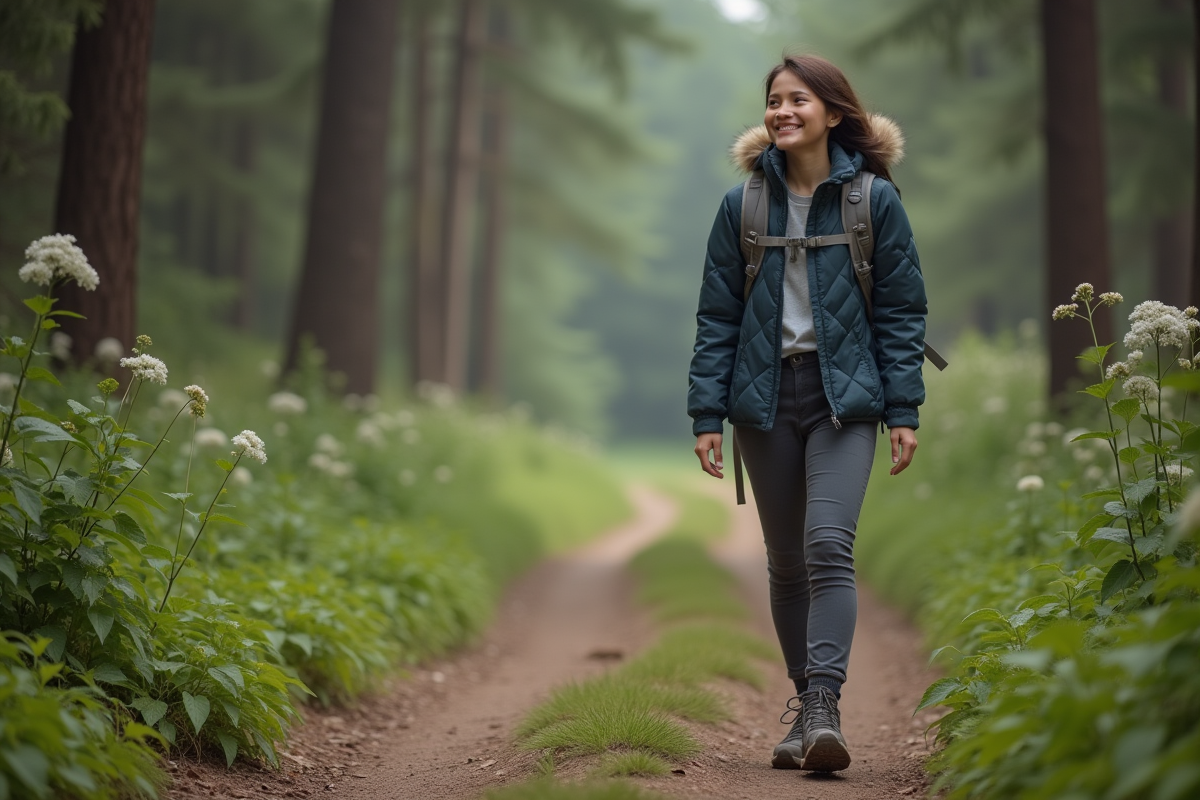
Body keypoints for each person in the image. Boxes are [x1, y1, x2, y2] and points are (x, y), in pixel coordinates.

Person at [687, 54, 927, 773]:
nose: (782, 112)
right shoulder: (743, 207)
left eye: (797, 100)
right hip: (763, 400)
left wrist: (904, 406)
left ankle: (824, 704)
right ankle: (804, 711)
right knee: (788, 563)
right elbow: (717, 318)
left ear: (832, 112)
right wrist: (707, 413)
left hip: (844, 400)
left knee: (827, 545)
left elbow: (901, 311)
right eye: (773, 102)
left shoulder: (873, 202)